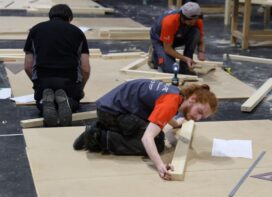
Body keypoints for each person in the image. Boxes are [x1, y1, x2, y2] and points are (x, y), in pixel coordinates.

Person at [73, 79, 217, 180]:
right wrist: (160, 166)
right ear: (192, 99)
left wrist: (175, 125)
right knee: (157, 142)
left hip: (113, 107)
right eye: (199, 112)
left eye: (202, 117)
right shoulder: (171, 102)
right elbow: (147, 138)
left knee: (154, 133)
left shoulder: (176, 95)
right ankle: (98, 137)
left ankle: (102, 127)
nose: (197, 118)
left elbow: (163, 113)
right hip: (111, 113)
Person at [24, 4, 91, 127]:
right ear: (70, 18)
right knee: (76, 98)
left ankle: (44, 102)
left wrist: (37, 85)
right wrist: (80, 89)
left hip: (44, 80)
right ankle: (69, 102)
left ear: (50, 16)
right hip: (68, 81)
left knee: (40, 98)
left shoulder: (35, 30)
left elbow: (27, 66)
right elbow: (85, 68)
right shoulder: (77, 33)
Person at [148, 2, 206, 75]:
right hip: (160, 40)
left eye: (195, 19)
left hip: (175, 35)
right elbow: (168, 48)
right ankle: (155, 55)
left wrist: (201, 51)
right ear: (183, 17)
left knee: (196, 32)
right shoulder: (170, 21)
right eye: (191, 21)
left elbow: (201, 38)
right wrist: (185, 58)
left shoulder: (197, 20)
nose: (194, 22)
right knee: (171, 70)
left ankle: (185, 66)